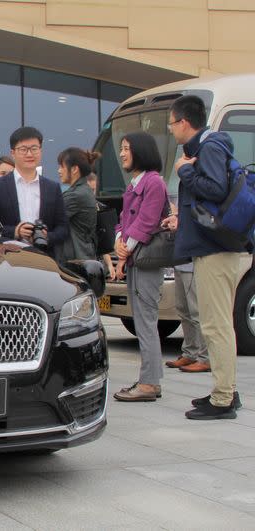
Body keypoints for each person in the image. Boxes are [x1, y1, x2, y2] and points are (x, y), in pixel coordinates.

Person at [169, 94, 246, 419]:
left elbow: (214, 189)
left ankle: (223, 399)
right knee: (218, 323)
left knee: (216, 325)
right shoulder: (206, 148)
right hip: (213, 248)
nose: (171, 130)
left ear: (184, 122)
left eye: (172, 124)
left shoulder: (210, 147)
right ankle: (224, 389)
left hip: (215, 250)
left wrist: (185, 172)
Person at [112, 132, 168, 402]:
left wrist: (124, 252)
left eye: (126, 149)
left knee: (146, 321)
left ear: (141, 151)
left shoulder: (153, 182)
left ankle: (148, 383)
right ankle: (151, 380)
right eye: (121, 148)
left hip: (144, 260)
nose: (122, 153)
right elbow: (123, 220)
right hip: (136, 256)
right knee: (144, 320)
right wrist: (118, 241)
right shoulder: (135, 183)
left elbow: (146, 222)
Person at [0, 127, 69, 258]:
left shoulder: (52, 188)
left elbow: (63, 228)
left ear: (41, 151)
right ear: (13, 153)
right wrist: (15, 231)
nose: (29, 154)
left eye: (34, 149)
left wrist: (46, 236)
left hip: (44, 259)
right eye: (23, 149)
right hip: (7, 258)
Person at [161, 210, 210, 373]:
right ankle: (190, 351)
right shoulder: (185, 194)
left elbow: (203, 220)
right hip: (180, 259)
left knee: (197, 311)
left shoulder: (199, 193)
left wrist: (180, 221)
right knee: (183, 309)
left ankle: (205, 357)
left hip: (193, 260)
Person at [58, 148, 100, 261]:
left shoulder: (75, 195)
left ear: (75, 169)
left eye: (62, 166)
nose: (59, 171)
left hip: (76, 259)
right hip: (83, 255)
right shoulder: (83, 190)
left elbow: (52, 218)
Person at [86, 173, 115, 279]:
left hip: (96, 262)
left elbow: (103, 240)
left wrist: (110, 265)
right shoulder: (75, 208)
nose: (91, 194)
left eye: (93, 190)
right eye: (88, 190)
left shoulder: (100, 208)